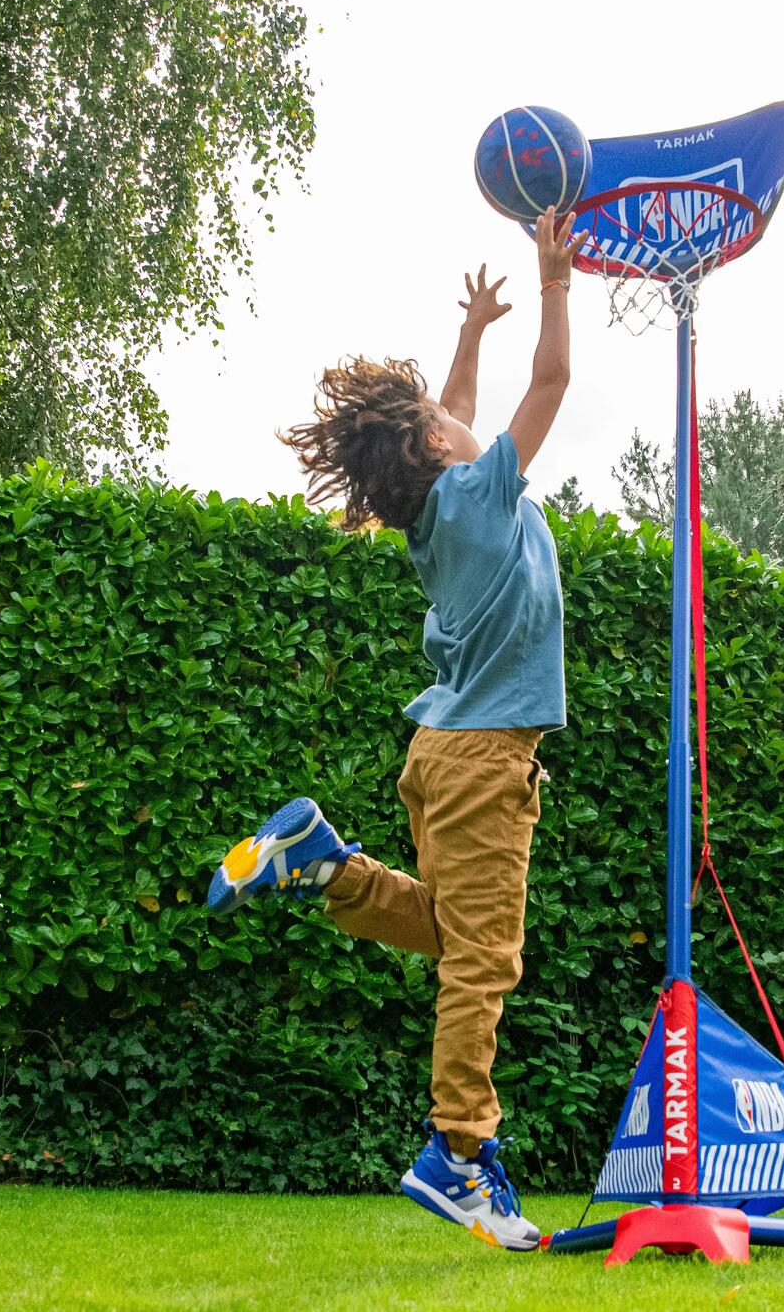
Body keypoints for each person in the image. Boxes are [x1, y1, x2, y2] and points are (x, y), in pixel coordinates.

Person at [203, 208, 587, 1251]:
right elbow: (545, 391)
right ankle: (457, 1151)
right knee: (486, 962)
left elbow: (455, 410)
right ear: (435, 449)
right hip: (485, 757)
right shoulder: (476, 493)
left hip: (442, 758)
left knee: (459, 936)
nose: (462, 421)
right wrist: (556, 282)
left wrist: (469, 334)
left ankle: (326, 866)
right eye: (444, 421)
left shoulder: (438, 511)